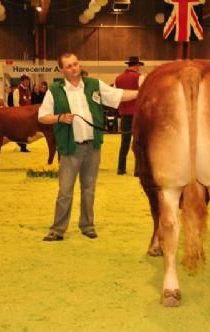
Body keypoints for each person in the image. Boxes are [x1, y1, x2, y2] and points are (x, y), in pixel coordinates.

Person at [38, 52, 138, 241]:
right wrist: (59, 118)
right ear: (61, 70)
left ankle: (87, 225)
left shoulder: (94, 85)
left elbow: (119, 95)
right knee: (65, 191)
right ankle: (58, 230)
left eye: (75, 64)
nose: (74, 68)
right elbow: (42, 116)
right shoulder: (54, 90)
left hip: (93, 147)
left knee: (89, 189)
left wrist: (142, 92)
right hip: (70, 148)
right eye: (69, 66)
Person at [115, 55, 145, 176]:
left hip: (124, 114)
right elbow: (143, 94)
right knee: (137, 142)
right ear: (137, 66)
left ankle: (121, 168)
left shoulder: (118, 78)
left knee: (124, 142)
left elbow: (116, 96)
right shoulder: (140, 77)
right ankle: (137, 170)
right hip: (137, 114)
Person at [13, 75, 32, 152]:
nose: (27, 83)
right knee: (21, 131)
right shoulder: (17, 91)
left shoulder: (28, 91)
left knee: (26, 131)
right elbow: (16, 104)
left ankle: (22, 144)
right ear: (22, 81)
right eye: (26, 81)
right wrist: (20, 115)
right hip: (21, 115)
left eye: (28, 82)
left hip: (28, 114)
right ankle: (22, 146)